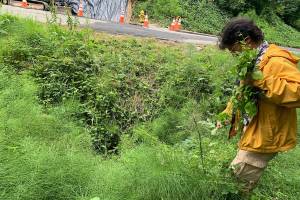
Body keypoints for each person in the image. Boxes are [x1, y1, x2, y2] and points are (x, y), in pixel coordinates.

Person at [218, 18, 300, 195]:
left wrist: (261, 81)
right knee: (236, 181)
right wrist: (227, 113)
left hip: (267, 135)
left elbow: (297, 92)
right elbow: (242, 91)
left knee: (234, 184)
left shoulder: (276, 61)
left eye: (234, 50)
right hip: (254, 129)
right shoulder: (253, 60)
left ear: (246, 41)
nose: (234, 55)